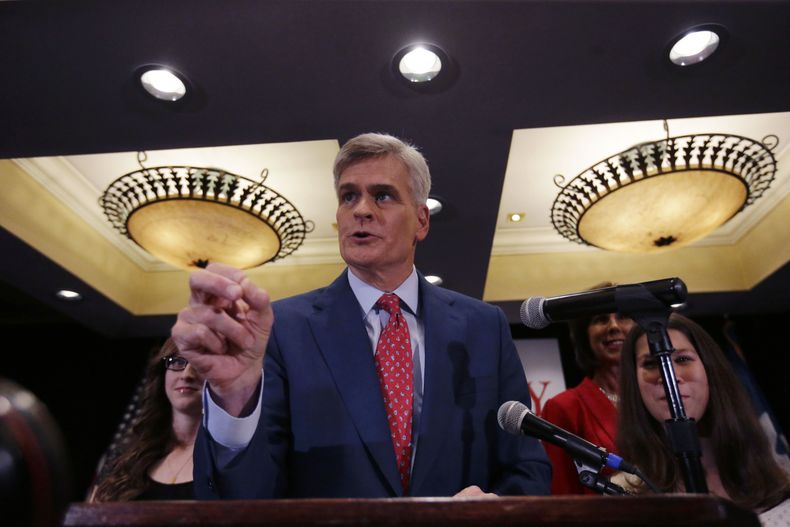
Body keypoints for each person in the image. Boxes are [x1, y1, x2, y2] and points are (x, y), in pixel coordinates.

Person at [172, 132, 551, 499]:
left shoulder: (484, 326)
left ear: (421, 221)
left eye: (383, 195)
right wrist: (234, 398)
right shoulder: (282, 328)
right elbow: (250, 493)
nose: (361, 210)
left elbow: (526, 465)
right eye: (348, 196)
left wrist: (497, 508)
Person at [616, 313, 789, 526]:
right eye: (651, 363)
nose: (670, 376)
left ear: (710, 368)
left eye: (682, 359)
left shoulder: (774, 480)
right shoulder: (621, 494)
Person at [539, 287, 634, 494]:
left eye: (623, 317)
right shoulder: (564, 407)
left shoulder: (659, 397)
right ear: (585, 335)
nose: (614, 326)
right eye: (601, 319)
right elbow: (561, 495)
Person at [89, 339, 204, 501]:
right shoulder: (126, 457)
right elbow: (93, 511)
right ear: (162, 375)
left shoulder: (232, 460)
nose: (187, 374)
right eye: (177, 361)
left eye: (200, 364)